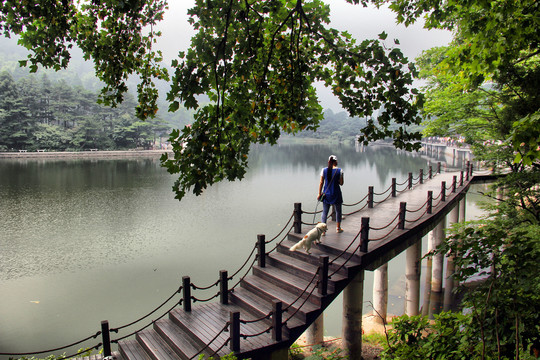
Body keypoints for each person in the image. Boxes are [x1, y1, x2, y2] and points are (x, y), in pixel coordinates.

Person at [317, 154, 344, 233]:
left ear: (329, 161)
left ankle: (323, 231)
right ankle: (338, 228)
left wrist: (319, 193)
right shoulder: (340, 171)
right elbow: (341, 183)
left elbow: (321, 182)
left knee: (325, 212)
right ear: (335, 162)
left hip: (326, 194)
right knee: (338, 211)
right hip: (336, 194)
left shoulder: (324, 170)